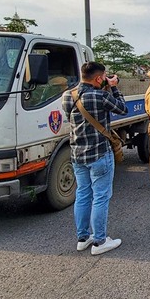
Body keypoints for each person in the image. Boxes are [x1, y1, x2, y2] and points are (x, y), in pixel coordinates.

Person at [61, 61, 128, 255]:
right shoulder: (101, 96)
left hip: (77, 154)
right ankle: (100, 241)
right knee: (101, 196)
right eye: (104, 76)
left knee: (82, 194)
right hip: (99, 153)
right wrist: (114, 88)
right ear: (99, 78)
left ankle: (82, 238)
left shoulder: (67, 96)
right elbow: (122, 109)